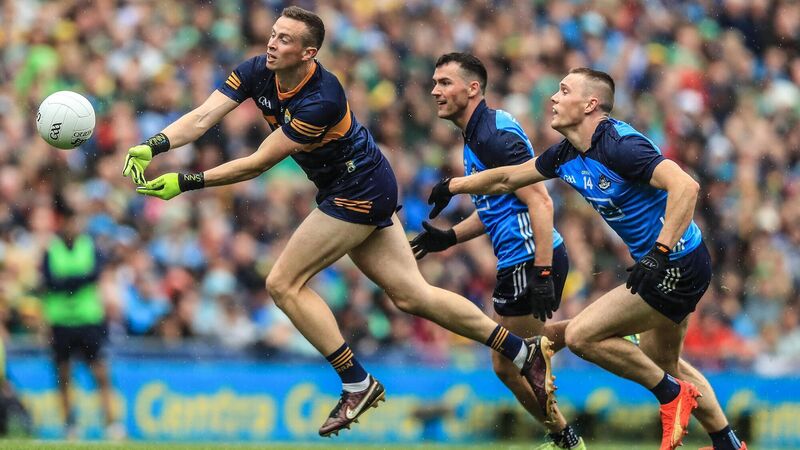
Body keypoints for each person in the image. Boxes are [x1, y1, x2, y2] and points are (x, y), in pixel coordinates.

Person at [122, 6, 553, 438]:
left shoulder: (322, 98)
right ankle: (521, 352)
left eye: (285, 39)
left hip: (359, 189)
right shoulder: (256, 70)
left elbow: (257, 163)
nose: (272, 43)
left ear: (308, 53)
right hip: (358, 185)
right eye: (273, 34)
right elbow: (202, 117)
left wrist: (188, 181)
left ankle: (356, 381)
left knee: (283, 283)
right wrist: (154, 145)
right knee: (412, 295)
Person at [424, 68, 747, 450]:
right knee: (664, 362)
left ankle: (670, 395)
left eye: (564, 91)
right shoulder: (566, 154)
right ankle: (728, 443)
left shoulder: (620, 145)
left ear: (590, 104)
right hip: (672, 264)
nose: (553, 97)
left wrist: (659, 252)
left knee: (581, 337)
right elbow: (508, 179)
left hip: (675, 265)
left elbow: (686, 186)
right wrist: (454, 185)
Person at [411, 52, 582, 450]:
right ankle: (599, 335)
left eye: (445, 83)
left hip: (528, 257)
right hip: (522, 257)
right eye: (434, 83)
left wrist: (541, 270)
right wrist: (450, 237)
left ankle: (566, 436)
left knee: (510, 360)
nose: (435, 91)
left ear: (473, 88)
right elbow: (497, 207)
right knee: (515, 356)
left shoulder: (492, 137)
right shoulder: (479, 133)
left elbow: (540, 201)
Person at [40, 205, 124, 440]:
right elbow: (51, 281)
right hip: (61, 321)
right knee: (64, 375)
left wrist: (66, 281)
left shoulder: (89, 247)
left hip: (88, 320)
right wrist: (77, 280)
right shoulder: (52, 249)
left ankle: (111, 424)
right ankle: (70, 425)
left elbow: (91, 275)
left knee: (100, 373)